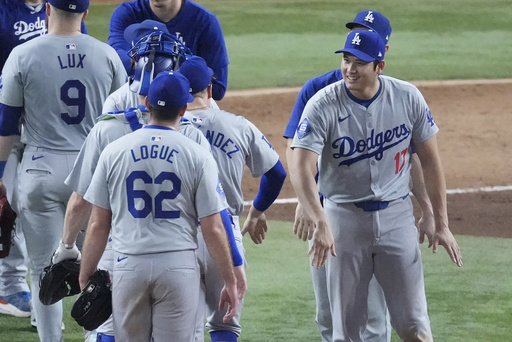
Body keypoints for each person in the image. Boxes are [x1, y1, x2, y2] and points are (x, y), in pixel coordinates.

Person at [53, 23, 246, 342]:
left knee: (106, 331)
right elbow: (213, 223)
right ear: (184, 104)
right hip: (181, 256)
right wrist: (232, 271)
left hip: (123, 254)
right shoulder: (194, 139)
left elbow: (92, 216)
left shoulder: (108, 133)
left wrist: (70, 251)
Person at [289, 29, 463, 341]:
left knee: (415, 326)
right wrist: (319, 219)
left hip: (397, 218)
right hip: (343, 218)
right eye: (346, 60)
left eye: (360, 63)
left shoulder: (407, 97)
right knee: (348, 331)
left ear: (379, 66)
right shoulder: (322, 104)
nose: (350, 69)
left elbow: (431, 161)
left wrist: (440, 221)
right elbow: (299, 165)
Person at [0, 0, 127, 339]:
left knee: (45, 270)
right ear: (85, 14)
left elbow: (7, 127)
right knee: (98, 268)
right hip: (93, 174)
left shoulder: (22, 55)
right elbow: (125, 122)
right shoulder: (108, 56)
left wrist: (0, 177)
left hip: (39, 171)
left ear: (47, 11)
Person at [179, 55, 287, 342]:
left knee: (177, 327)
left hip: (176, 235)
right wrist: (258, 210)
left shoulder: (168, 129)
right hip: (225, 235)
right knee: (224, 325)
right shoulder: (237, 125)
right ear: (210, 90)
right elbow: (276, 174)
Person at [0, 0, 86, 320]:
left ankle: (45, 297)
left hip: (47, 130)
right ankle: (9, 286)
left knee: (40, 208)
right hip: (7, 124)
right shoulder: (4, 11)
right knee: (9, 208)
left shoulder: (60, 9)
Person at [108, 0, 229, 101]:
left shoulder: (205, 21)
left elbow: (218, 87)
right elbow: (116, 61)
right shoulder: (127, 13)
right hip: (136, 101)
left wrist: (144, 68)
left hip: (186, 108)